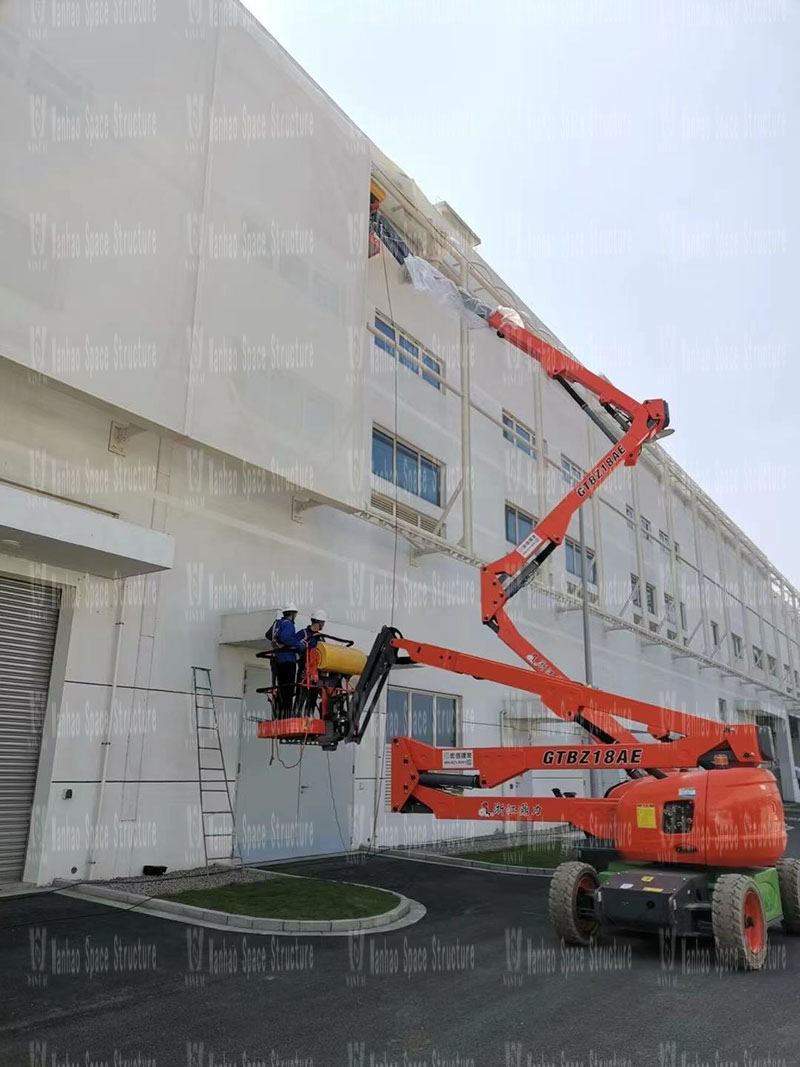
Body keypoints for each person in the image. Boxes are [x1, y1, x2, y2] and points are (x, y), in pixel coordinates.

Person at [265, 603, 303, 718]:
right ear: (293, 614)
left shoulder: (277, 623)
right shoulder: (288, 624)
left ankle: (280, 714)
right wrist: (299, 645)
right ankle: (287, 715)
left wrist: (277, 644)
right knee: (288, 689)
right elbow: (285, 638)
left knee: (281, 688)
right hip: (288, 660)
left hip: (278, 660)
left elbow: (268, 635)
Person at [295, 609, 327, 714]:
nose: (323, 625)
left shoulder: (321, 637)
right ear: (318, 622)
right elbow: (295, 646)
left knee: (312, 697)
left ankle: (309, 718)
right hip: (304, 669)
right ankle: (296, 717)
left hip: (316, 672)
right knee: (301, 695)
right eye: (323, 622)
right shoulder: (303, 634)